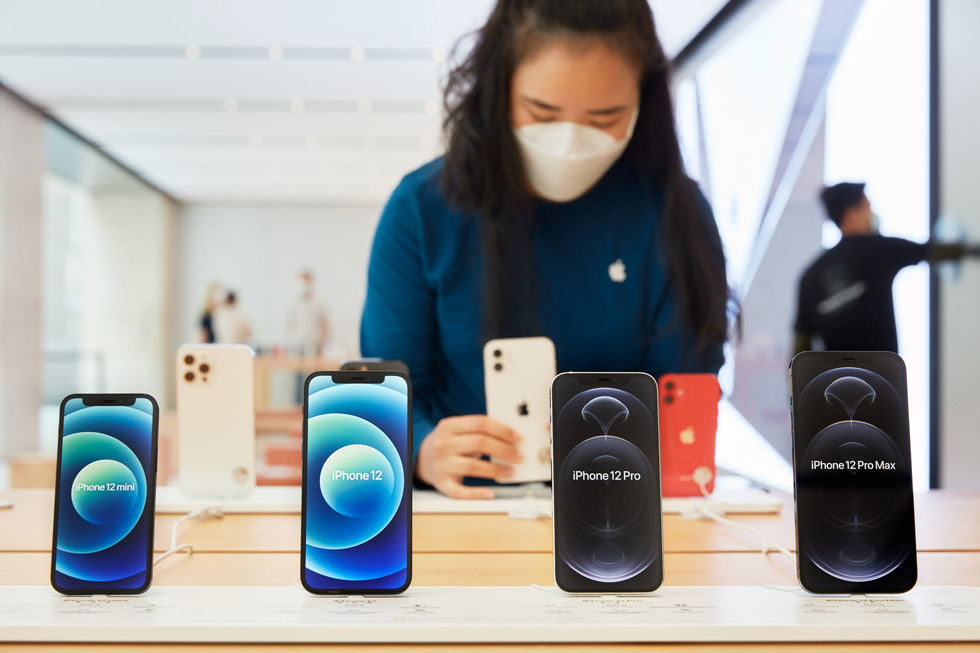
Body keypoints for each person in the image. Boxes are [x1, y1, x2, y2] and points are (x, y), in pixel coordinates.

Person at [361, 0, 731, 499]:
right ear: (499, 89)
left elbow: (687, 396)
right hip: (467, 511)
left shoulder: (675, 214)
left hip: (623, 509)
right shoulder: (422, 209)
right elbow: (387, 395)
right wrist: (422, 449)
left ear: (644, 100)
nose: (572, 141)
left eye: (606, 117)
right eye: (542, 112)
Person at [794, 181, 976, 355]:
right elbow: (932, 252)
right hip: (884, 380)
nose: (873, 213)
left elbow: (800, 348)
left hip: (835, 384)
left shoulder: (809, 278)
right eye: (868, 207)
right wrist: (971, 250)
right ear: (852, 216)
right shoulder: (877, 250)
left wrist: (803, 387)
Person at [286, 269, 331, 357]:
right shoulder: (293, 305)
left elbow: (325, 326)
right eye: (302, 283)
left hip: (315, 348)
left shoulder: (319, 304)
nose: (304, 286)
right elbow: (289, 327)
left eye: (306, 283)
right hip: (297, 350)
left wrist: (323, 346)